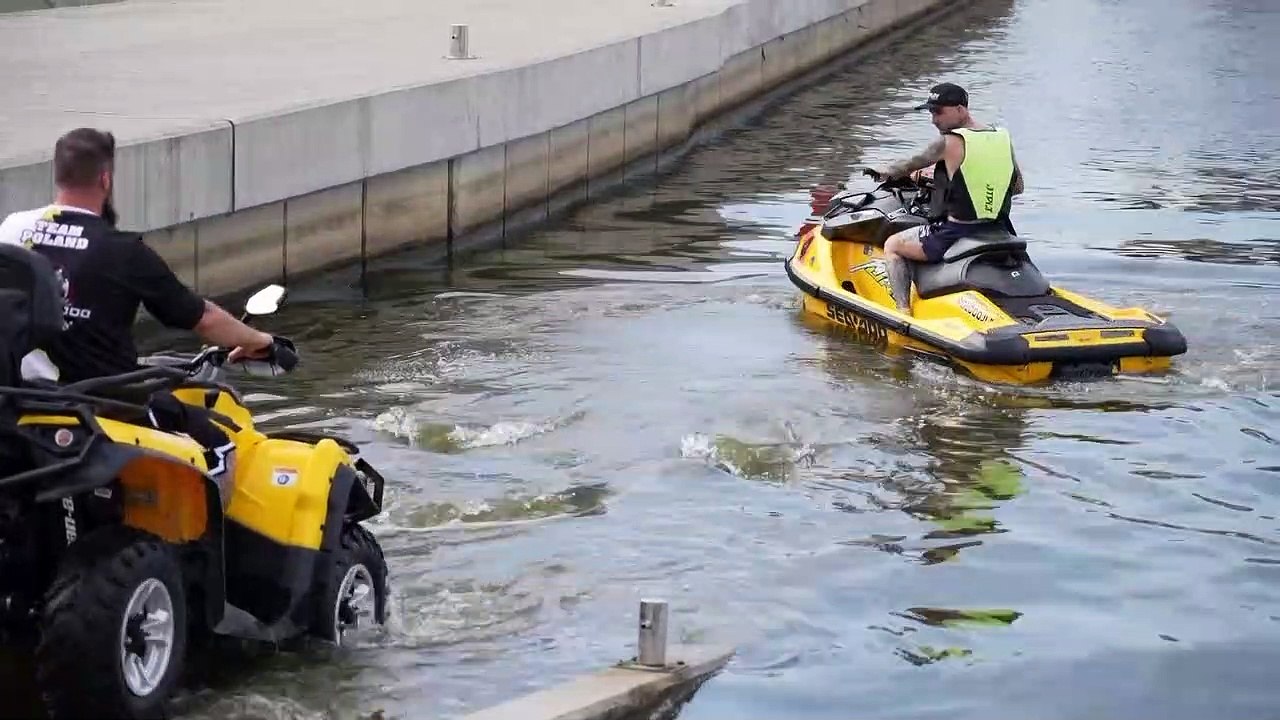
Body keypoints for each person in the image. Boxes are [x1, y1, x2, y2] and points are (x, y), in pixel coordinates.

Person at [0, 127, 275, 502]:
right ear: (105, 179)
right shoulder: (124, 251)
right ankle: (220, 554)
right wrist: (261, 341)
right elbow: (201, 317)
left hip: (22, 396)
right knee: (220, 440)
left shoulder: (13, 230)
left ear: (58, 174)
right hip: (102, 401)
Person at [864, 82, 1024, 315]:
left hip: (957, 232)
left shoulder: (949, 141)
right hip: (1000, 229)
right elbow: (1017, 187)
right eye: (931, 112)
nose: (933, 119)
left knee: (893, 245)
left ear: (961, 109)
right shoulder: (1001, 137)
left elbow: (908, 164)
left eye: (938, 112)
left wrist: (881, 172)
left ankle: (902, 311)